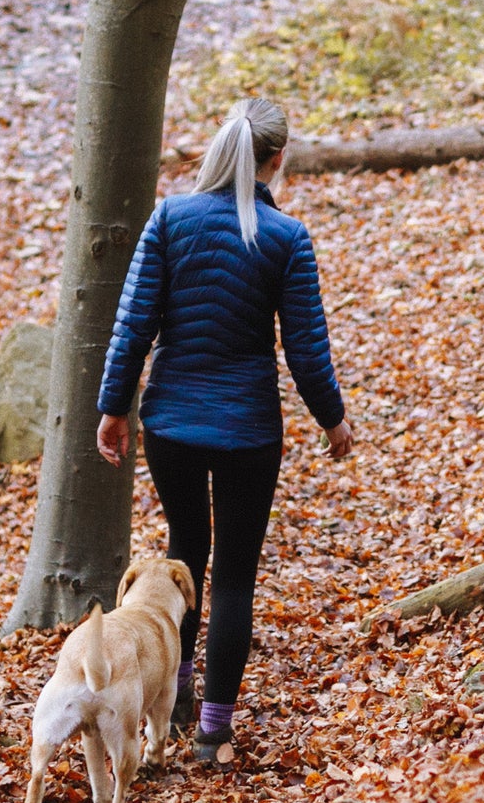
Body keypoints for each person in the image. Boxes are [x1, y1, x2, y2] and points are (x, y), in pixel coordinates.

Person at [96, 98, 353, 765]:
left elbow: (134, 326)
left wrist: (114, 407)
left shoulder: (169, 218)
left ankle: (173, 698)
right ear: (277, 158)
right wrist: (334, 418)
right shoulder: (287, 237)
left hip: (173, 425)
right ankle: (213, 729)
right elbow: (306, 349)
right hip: (247, 431)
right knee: (234, 575)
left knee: (187, 556)